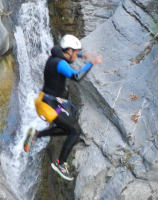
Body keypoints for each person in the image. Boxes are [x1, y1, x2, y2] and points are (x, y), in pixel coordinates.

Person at [23, 34, 102, 181]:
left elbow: (68, 55)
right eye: (75, 52)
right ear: (69, 51)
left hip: (47, 102)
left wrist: (82, 55)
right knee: (75, 131)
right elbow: (76, 77)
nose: (76, 55)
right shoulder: (60, 63)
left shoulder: (56, 57)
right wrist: (91, 63)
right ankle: (61, 164)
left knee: (67, 127)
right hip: (49, 106)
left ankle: (36, 134)